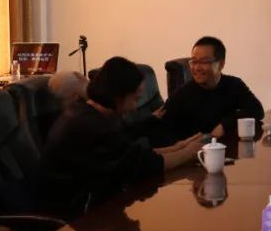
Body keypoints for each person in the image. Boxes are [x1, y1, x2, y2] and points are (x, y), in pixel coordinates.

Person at [38, 56, 203, 219]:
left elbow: (133, 153)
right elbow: (143, 164)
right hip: (76, 217)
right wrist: (190, 152)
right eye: (135, 99)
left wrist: (179, 147)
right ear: (118, 95)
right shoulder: (92, 127)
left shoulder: (88, 113)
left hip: (92, 204)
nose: (135, 107)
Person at [155, 36, 264, 142]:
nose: (197, 68)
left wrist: (224, 125)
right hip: (198, 150)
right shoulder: (183, 94)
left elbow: (257, 110)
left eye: (204, 62)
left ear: (221, 64)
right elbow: (160, 126)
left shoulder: (234, 84)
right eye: (194, 62)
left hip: (227, 147)